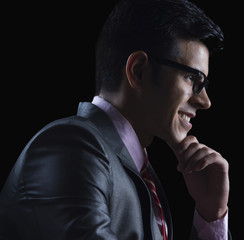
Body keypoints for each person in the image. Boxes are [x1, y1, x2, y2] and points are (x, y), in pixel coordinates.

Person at [0, 0, 231, 239]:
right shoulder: (72, 146)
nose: (205, 101)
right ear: (138, 70)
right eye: (193, 79)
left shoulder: (138, 172)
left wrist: (210, 217)